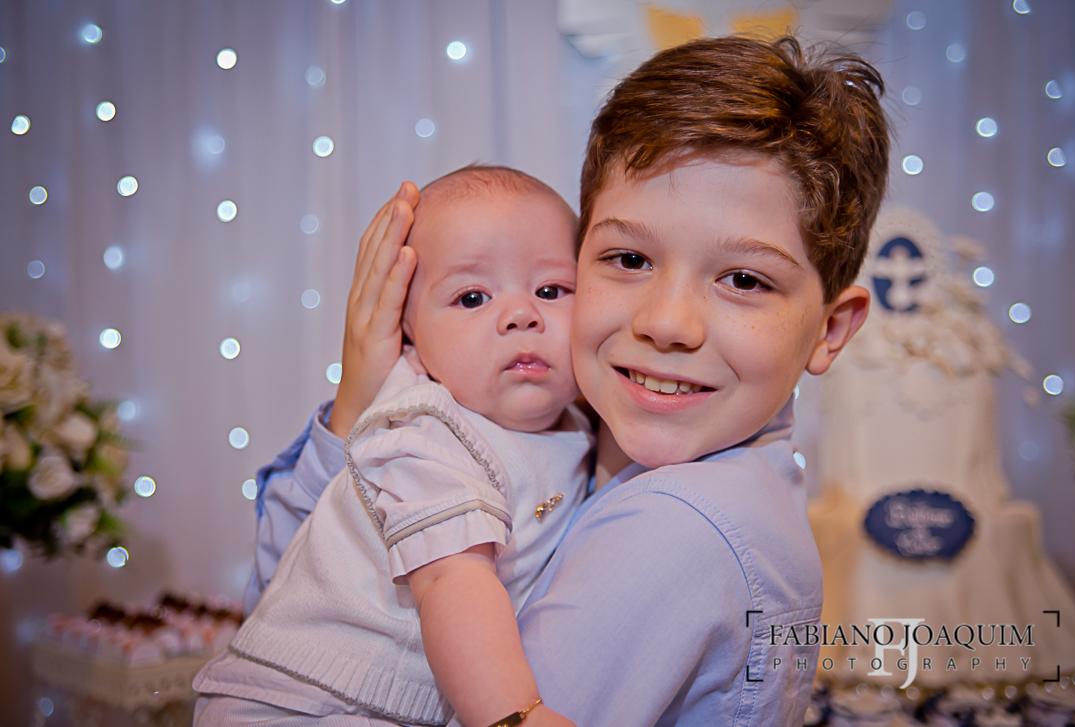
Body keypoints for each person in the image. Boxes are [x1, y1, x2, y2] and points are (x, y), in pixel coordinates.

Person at [236, 36, 890, 726]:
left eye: (745, 279)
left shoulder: (670, 530)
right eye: (629, 259)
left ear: (831, 328)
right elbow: (284, 629)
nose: (667, 323)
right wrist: (356, 408)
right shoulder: (563, 426)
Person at [193, 167, 593, 726]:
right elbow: (452, 581)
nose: (521, 314)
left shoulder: (578, 421)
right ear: (410, 338)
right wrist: (515, 716)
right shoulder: (427, 434)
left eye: (550, 291)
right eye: (472, 297)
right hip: (307, 702)